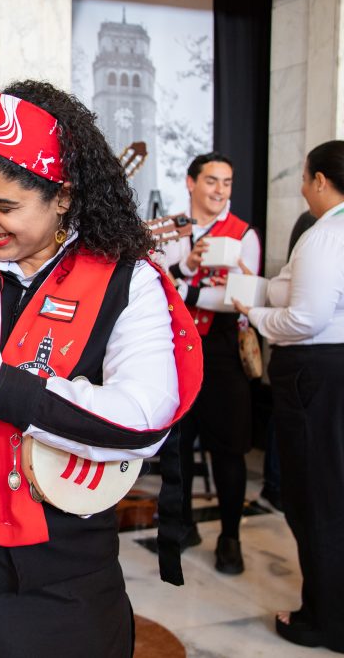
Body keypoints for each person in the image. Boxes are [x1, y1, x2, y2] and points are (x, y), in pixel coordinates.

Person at [0, 81, 200, 656]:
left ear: (63, 198)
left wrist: (0, 384)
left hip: (58, 575)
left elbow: (145, 420)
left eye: (5, 205)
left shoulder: (126, 281)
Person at [233, 140, 344, 653]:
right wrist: (257, 288)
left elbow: (304, 318)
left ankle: (323, 619)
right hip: (333, 371)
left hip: (316, 373)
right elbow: (291, 290)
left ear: (321, 180)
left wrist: (253, 315)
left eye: (304, 178)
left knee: (314, 498)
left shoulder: (326, 236)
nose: (302, 187)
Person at [154, 153, 262, 574]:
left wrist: (186, 291)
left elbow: (241, 298)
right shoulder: (169, 229)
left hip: (220, 348)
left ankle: (230, 537)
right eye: (212, 181)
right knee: (177, 443)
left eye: (228, 183)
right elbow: (155, 283)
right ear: (190, 182)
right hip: (173, 345)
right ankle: (179, 526)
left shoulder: (243, 234)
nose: (220, 190)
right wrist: (186, 269)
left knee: (229, 447)